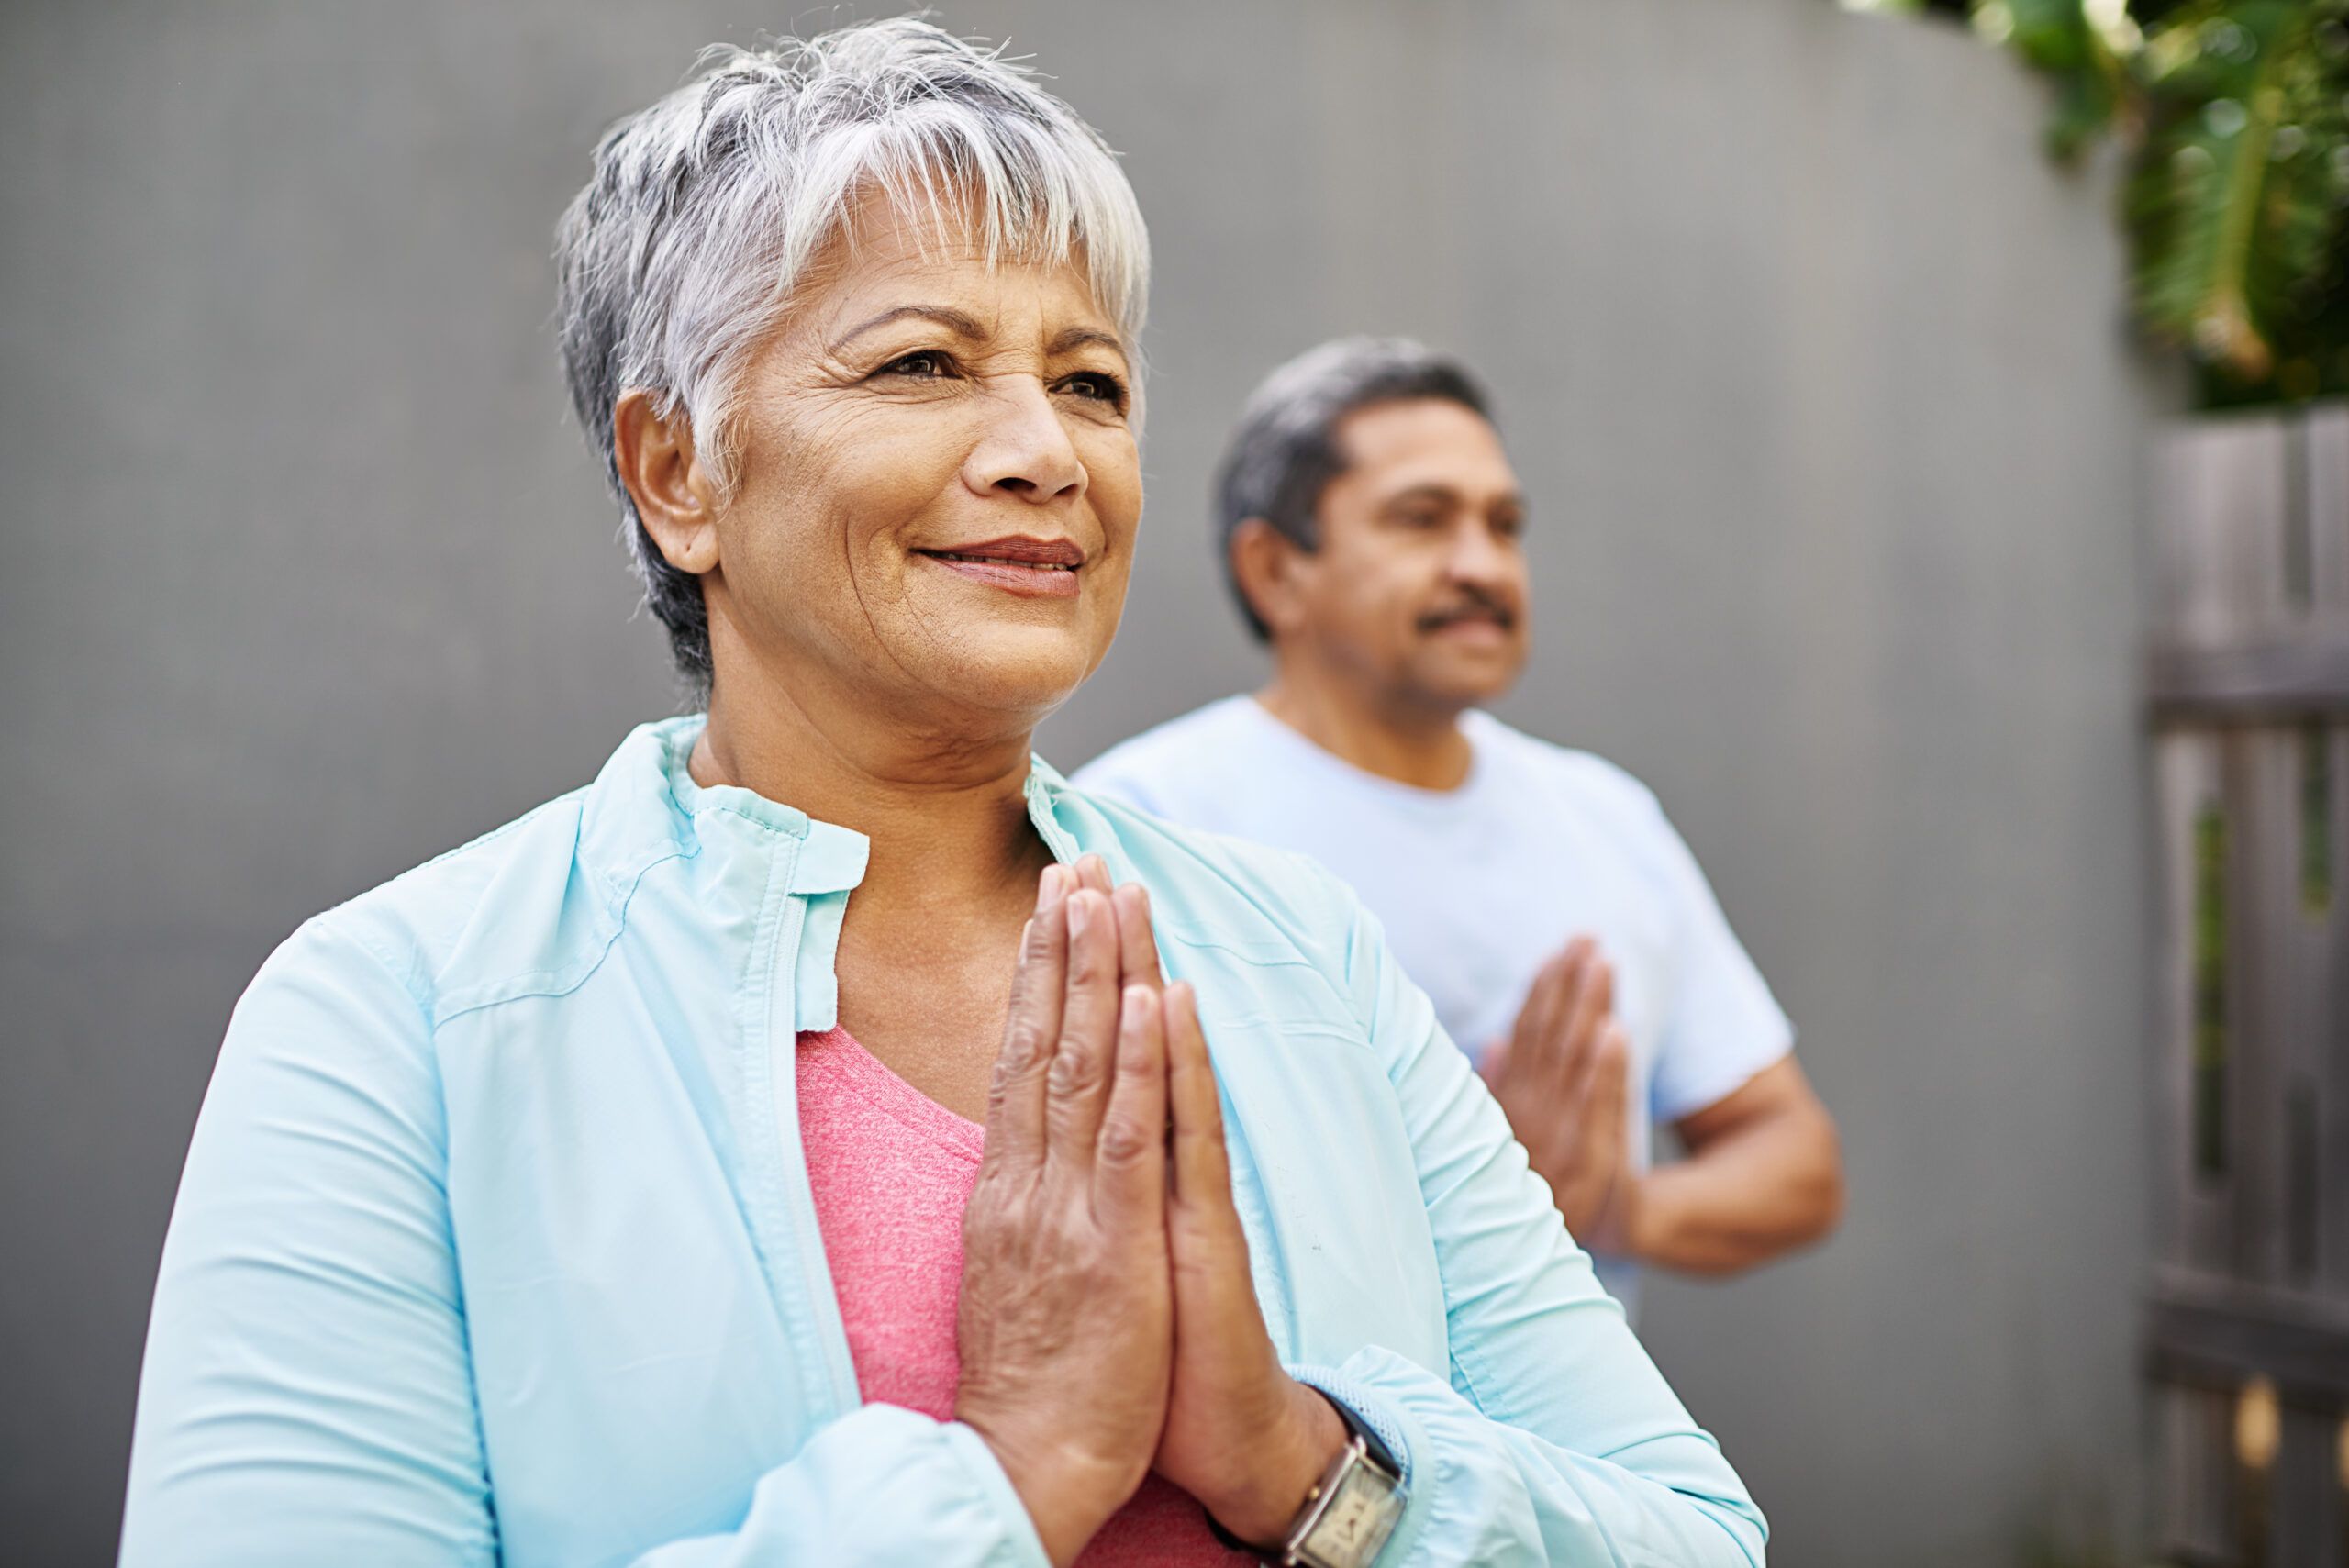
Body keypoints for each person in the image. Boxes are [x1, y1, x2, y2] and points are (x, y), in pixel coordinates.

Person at [117, 24, 1765, 1568]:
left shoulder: (1303, 957)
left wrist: (1303, 1460)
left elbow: (1696, 1528)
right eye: (921, 363)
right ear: (677, 470)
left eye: (1094, 381)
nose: (1046, 448)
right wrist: (1006, 1472)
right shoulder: (400, 1014)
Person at [1076, 339, 1844, 1317]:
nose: (1482, 565)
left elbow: (1793, 1157)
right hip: (1291, 1465)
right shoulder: (1145, 826)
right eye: (1422, 520)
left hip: (1573, 1468)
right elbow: (1088, 1206)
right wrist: (1483, 1198)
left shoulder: (1605, 819)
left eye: (1505, 523)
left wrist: (1614, 1208)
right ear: (1275, 571)